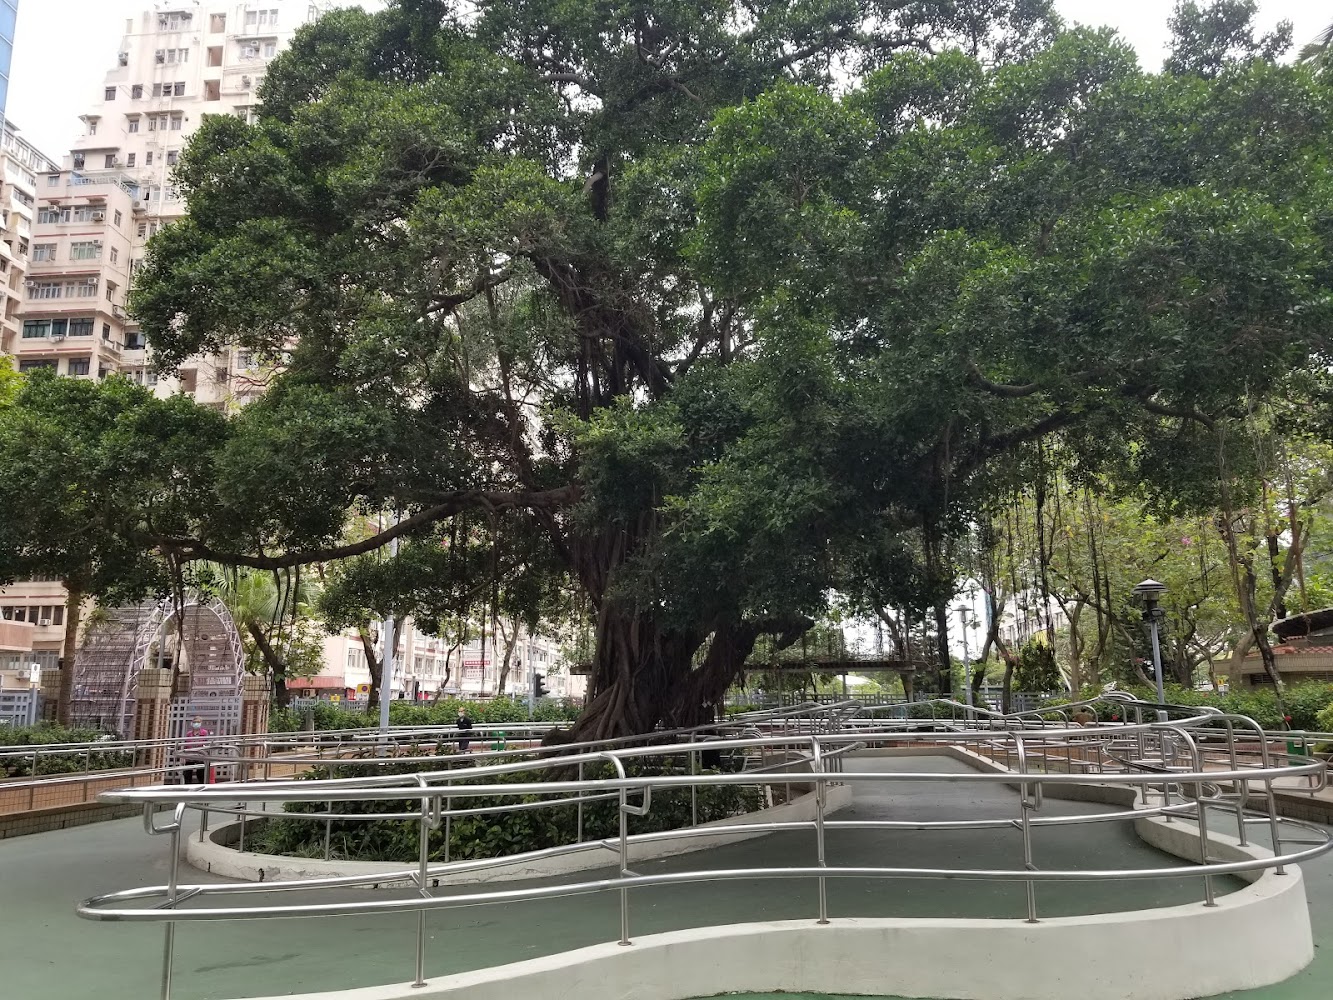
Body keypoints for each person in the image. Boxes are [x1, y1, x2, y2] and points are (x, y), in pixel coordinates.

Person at [182, 716, 210, 784]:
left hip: (200, 755)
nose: (196, 724)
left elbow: (207, 743)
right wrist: (184, 756)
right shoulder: (189, 734)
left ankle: (201, 786)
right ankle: (187, 787)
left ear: (201, 723)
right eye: (194, 722)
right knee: (187, 773)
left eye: (198, 722)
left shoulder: (204, 732)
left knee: (201, 773)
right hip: (190, 755)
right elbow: (186, 744)